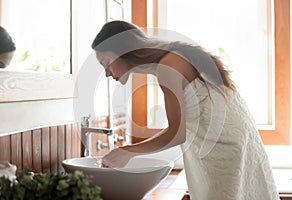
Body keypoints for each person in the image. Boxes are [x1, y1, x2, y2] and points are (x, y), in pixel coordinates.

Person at [91, 20, 279, 200]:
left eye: (106, 62)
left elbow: (176, 134)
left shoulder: (168, 66)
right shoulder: (172, 57)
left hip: (225, 147)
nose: (107, 73)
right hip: (235, 141)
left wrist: (128, 152)